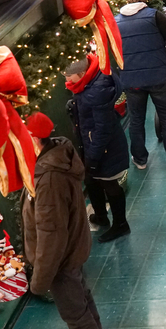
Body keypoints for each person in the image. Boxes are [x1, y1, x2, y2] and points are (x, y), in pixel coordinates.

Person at [22, 112, 112, 329]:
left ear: (35, 140)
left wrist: (39, 279)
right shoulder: (57, 157)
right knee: (81, 297)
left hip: (60, 259)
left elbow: (51, 233)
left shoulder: (48, 179)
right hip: (73, 249)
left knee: (74, 310)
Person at [115, 0, 166, 171]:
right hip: (158, 77)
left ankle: (140, 159)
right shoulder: (155, 16)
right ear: (144, 1)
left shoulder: (115, 22)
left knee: (136, 120)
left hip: (132, 80)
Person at [65, 54, 130, 243]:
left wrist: (93, 158)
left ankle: (121, 224)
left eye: (69, 76)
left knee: (110, 184)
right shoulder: (86, 84)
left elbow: (103, 129)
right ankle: (101, 215)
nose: (67, 80)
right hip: (92, 145)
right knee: (92, 181)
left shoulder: (97, 91)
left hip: (105, 149)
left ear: (83, 73)